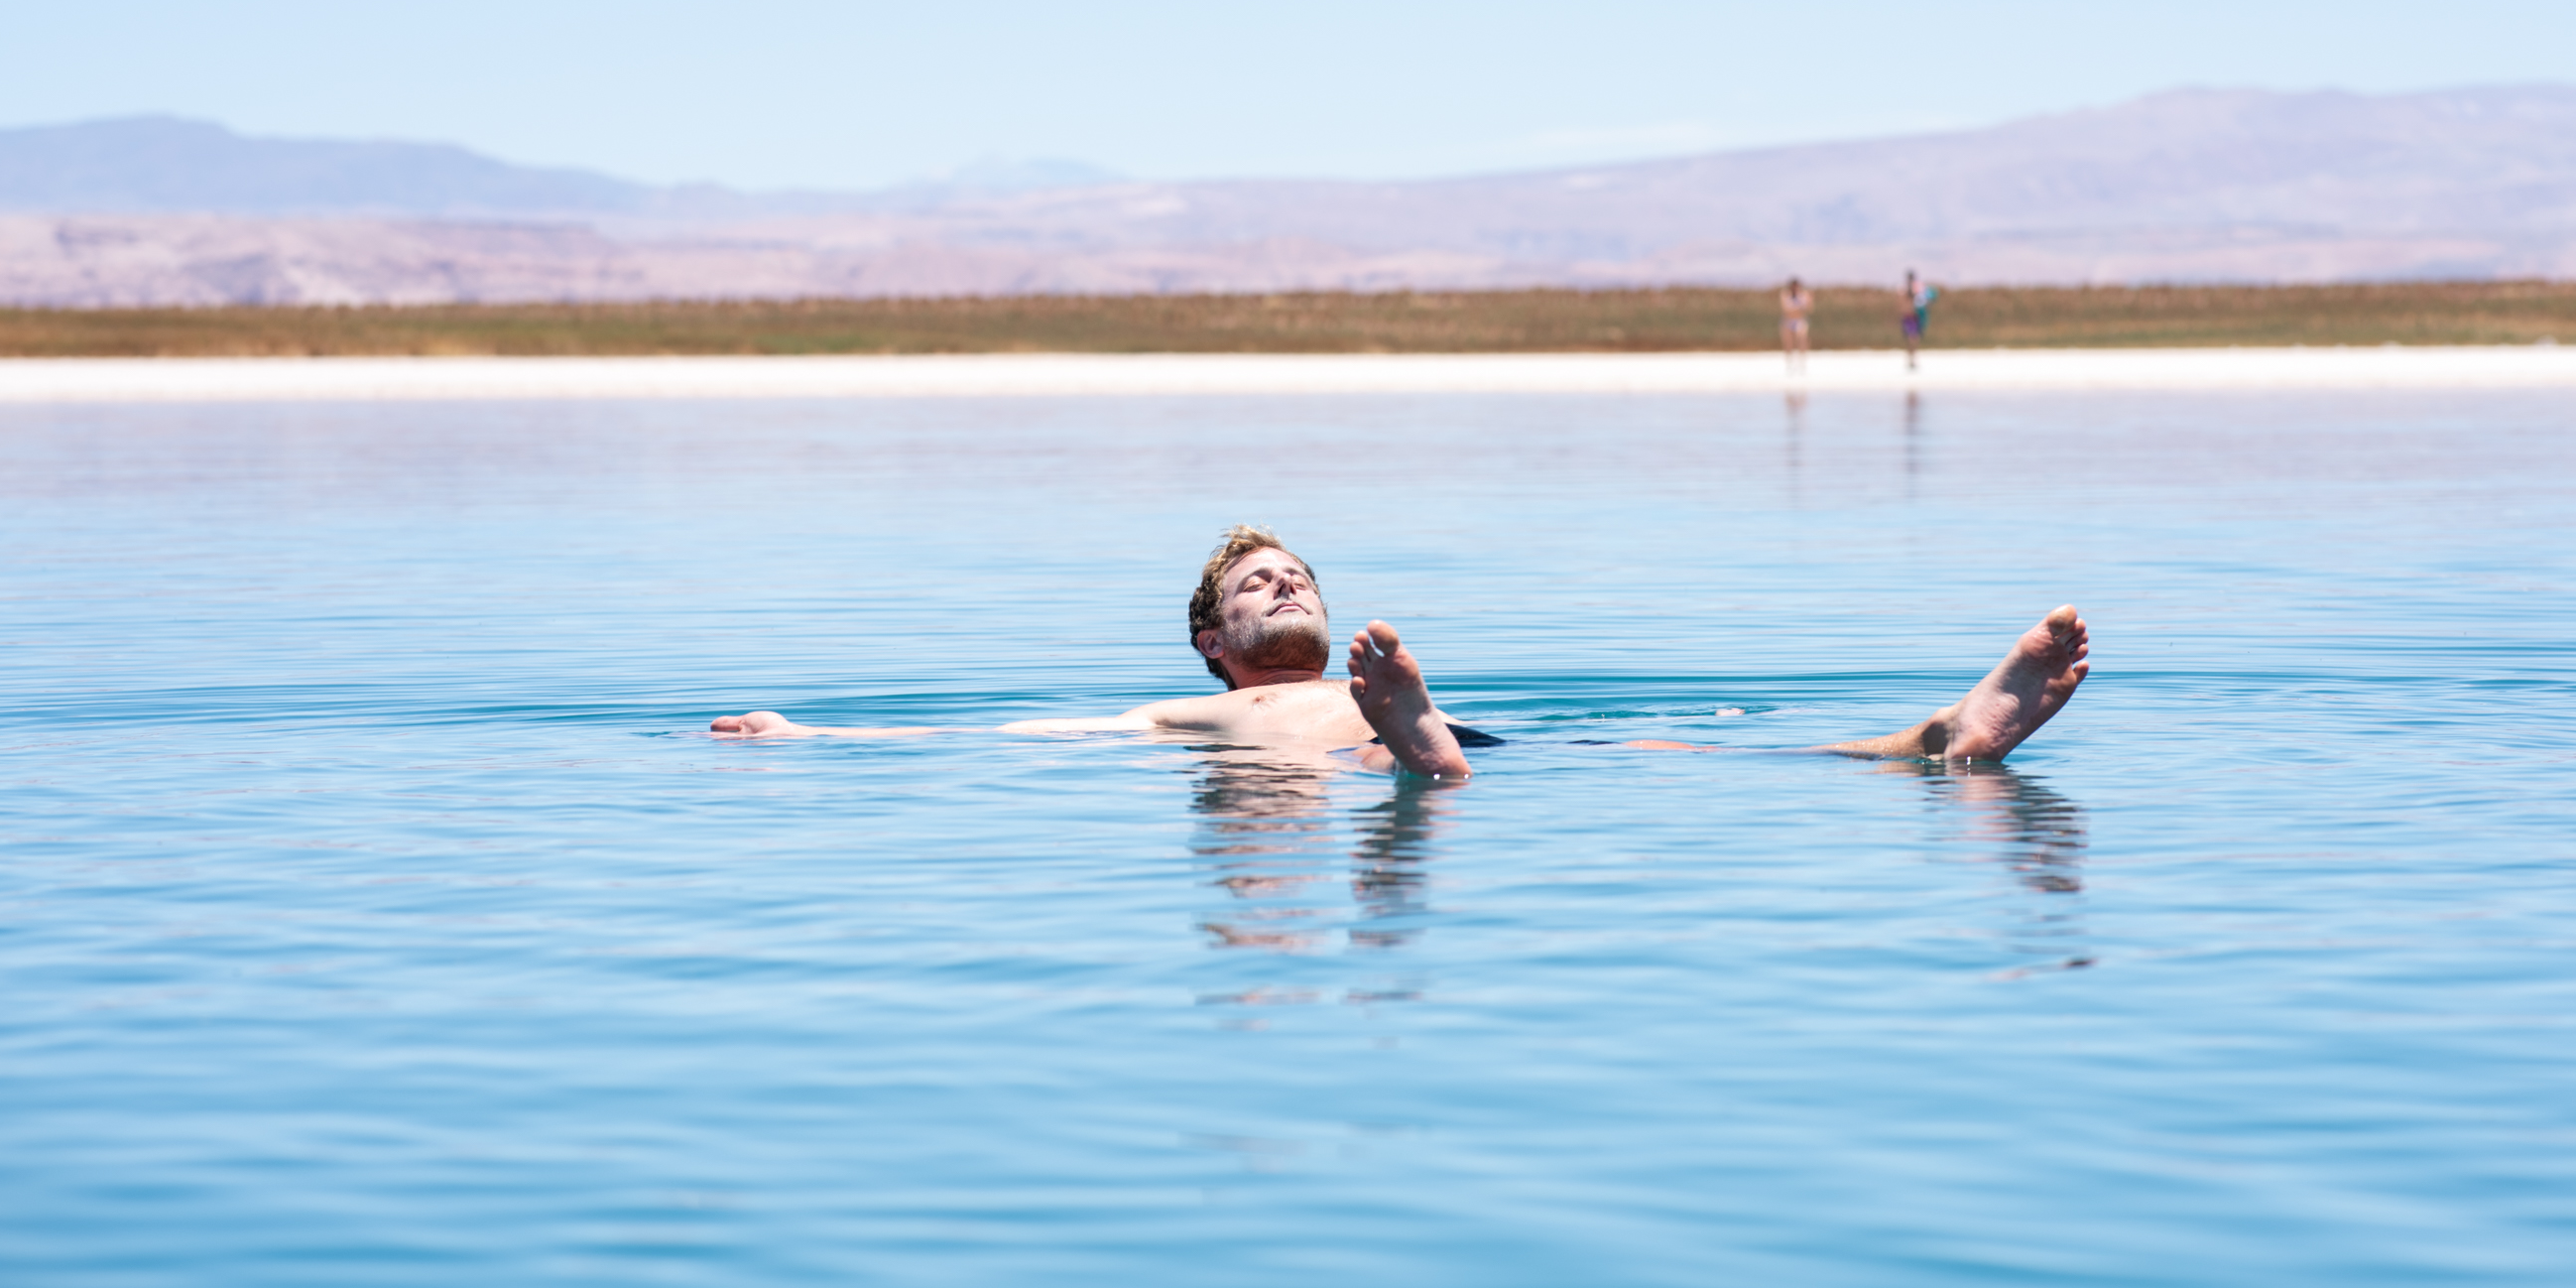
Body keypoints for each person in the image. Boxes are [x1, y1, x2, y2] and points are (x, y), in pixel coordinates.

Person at [713, 526, 2092, 784]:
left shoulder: (1354, 671)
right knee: (1406, 757)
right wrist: (811, 737)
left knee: (1691, 751)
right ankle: (1420, 762)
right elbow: (1006, 743)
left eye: (1300, 571)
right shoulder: (1185, 717)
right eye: (1259, 585)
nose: (1286, 582)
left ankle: (1941, 738)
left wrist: (1399, 729)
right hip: (1353, 758)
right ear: (1214, 644)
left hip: (1426, 742)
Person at [1778, 277, 1813, 370]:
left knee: (1802, 340)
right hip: (1788, 321)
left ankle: (1802, 362)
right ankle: (1789, 363)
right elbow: (1785, 309)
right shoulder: (1786, 295)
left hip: (1799, 321)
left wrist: (1808, 301)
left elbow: (1809, 308)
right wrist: (1798, 309)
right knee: (1788, 342)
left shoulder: (1803, 295)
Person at [1900, 268, 1932, 368]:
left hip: (1913, 316)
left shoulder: (1914, 289)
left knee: (1913, 338)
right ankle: (1911, 359)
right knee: (1912, 338)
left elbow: (1925, 300)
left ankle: (1912, 359)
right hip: (1910, 316)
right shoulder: (1906, 289)